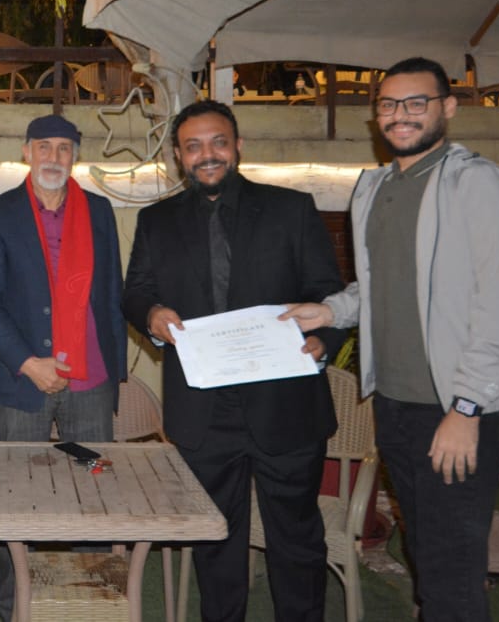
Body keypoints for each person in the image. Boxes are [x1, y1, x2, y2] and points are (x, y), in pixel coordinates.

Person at [284, 57, 499, 621]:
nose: (401, 115)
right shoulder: (374, 187)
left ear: (448, 107)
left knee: (452, 569)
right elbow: (380, 287)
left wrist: (466, 409)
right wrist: (329, 310)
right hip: (394, 403)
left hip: (457, 405)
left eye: (416, 103)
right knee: (425, 552)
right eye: (389, 105)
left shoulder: (477, 183)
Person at [122, 100, 347, 622]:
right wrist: (151, 314)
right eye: (193, 146)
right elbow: (136, 293)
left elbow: (329, 292)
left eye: (218, 142)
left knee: (296, 538)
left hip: (286, 405)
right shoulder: (156, 220)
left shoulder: (292, 209)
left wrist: (324, 339)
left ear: (238, 146)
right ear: (178, 157)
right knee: (216, 541)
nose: (207, 155)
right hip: (203, 410)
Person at [0, 113, 127, 621]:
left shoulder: (99, 211)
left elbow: (112, 291)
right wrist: (27, 362)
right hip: (24, 382)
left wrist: (118, 368)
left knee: (93, 490)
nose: (53, 157)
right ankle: (12, 606)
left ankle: (93, 603)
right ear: (26, 152)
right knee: (16, 494)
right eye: (44, 147)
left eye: (64, 148)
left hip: (90, 381)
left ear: (75, 156)